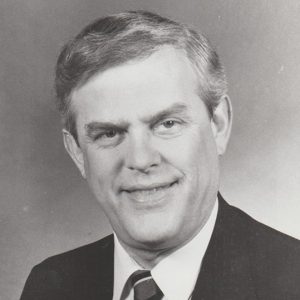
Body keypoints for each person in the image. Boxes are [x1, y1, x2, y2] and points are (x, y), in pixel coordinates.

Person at [20, 11, 300, 300]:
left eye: (167, 124)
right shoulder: (50, 285)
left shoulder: (292, 280)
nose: (140, 160)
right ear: (78, 152)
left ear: (218, 125)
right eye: (109, 133)